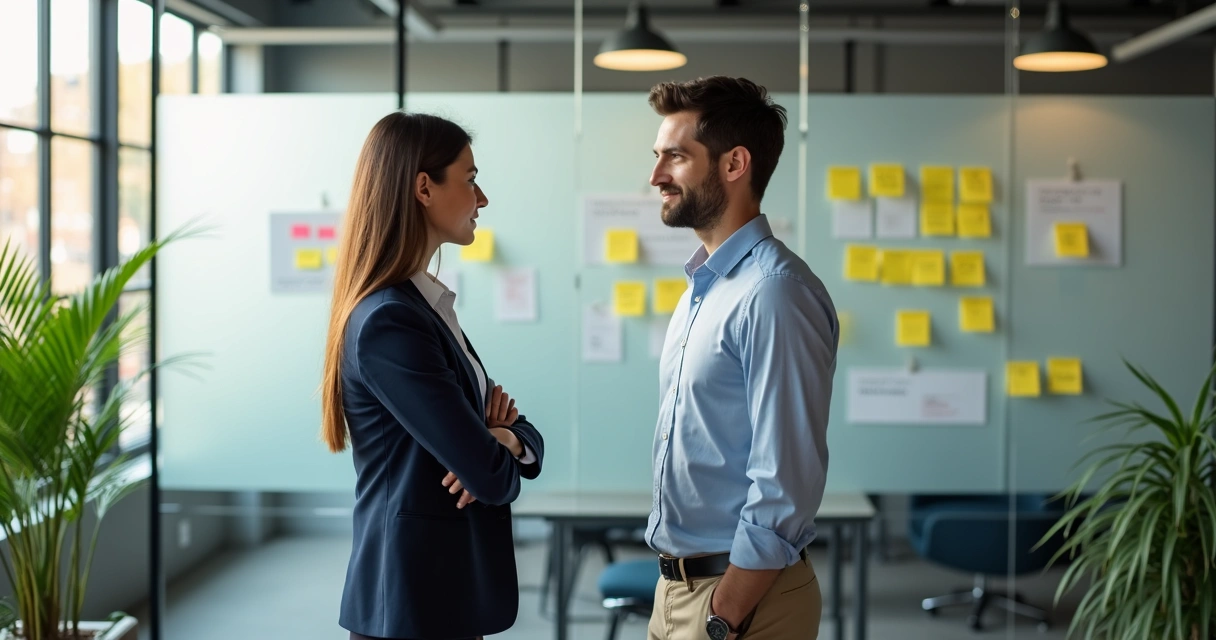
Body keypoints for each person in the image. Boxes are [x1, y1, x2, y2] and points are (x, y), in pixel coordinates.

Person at [320, 111, 544, 640]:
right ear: (424, 187)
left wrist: (505, 437)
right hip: (411, 602)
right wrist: (492, 448)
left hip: (439, 594)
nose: (481, 198)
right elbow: (488, 478)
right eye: (469, 180)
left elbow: (511, 443)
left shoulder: (424, 307)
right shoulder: (389, 321)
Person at [644, 77, 838, 640]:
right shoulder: (705, 288)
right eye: (658, 157)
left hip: (739, 599)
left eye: (675, 157)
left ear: (734, 164)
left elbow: (786, 481)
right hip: (678, 591)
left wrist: (723, 616)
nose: (656, 176)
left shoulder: (775, 292)